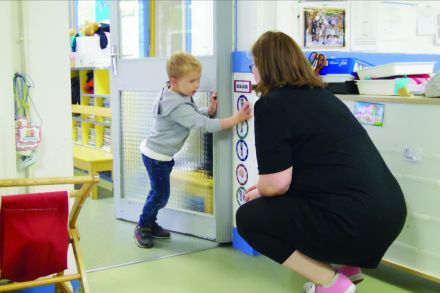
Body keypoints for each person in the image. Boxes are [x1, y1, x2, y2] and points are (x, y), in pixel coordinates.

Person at [235, 31, 407, 293]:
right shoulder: (323, 96)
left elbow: (277, 184)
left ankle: (331, 283)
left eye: (254, 65)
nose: (253, 71)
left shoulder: (272, 105)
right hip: (389, 212)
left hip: (355, 222)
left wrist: (260, 192)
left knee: (249, 218)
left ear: (266, 67)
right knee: (301, 199)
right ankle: (348, 267)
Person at [135, 51, 252, 248]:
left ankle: (149, 223)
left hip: (158, 154)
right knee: (160, 195)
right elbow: (205, 125)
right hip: (157, 157)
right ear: (173, 80)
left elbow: (195, 114)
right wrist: (236, 119)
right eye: (191, 81)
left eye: (198, 79)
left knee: (157, 192)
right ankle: (143, 226)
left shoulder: (175, 94)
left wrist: (211, 110)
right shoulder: (176, 104)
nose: (197, 85)